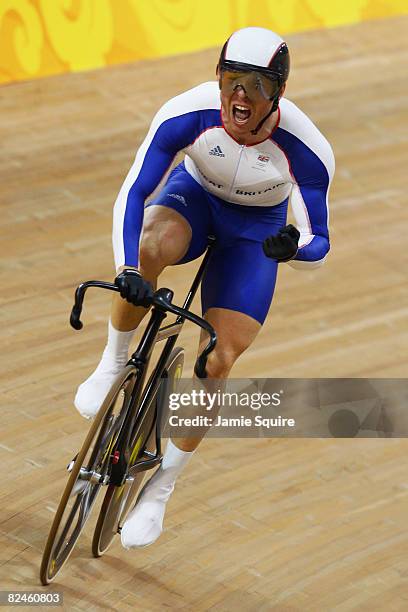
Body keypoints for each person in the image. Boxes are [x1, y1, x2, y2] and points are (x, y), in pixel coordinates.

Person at [74, 27, 335, 549]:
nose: (240, 96)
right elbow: (134, 191)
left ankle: (160, 489)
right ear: (218, 77)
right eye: (232, 80)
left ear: (278, 92)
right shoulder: (186, 113)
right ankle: (113, 360)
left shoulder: (306, 150)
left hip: (254, 233)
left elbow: (318, 240)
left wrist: (293, 250)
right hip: (194, 198)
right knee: (148, 249)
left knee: (217, 360)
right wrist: (128, 268)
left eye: (256, 86)